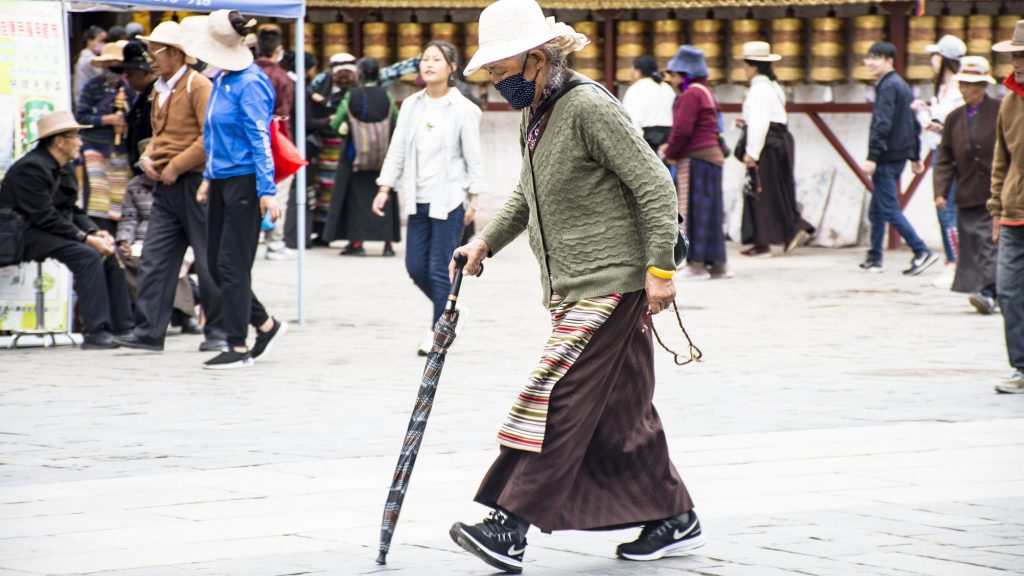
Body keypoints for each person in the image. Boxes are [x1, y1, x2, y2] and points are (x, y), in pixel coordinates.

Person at [447, 0, 702, 571]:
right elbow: (527, 195)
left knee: (554, 398)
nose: (495, 82)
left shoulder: (588, 105)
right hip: (572, 288)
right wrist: (486, 241)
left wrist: (660, 270)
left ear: (537, 58)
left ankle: (508, 524)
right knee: (622, 412)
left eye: (500, 70)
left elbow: (654, 187)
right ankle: (673, 517)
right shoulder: (535, 114)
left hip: (610, 285)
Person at [180, 10, 286, 369]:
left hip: (245, 182)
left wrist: (266, 190)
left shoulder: (251, 84)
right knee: (214, 263)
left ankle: (238, 345)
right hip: (221, 181)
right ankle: (266, 324)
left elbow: (260, 139)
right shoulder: (222, 78)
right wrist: (209, 178)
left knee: (231, 265)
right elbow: (213, 135)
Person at [113, 21, 227, 354]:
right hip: (165, 183)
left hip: (193, 182)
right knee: (154, 257)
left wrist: (175, 165)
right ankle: (149, 330)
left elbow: (210, 138)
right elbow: (161, 135)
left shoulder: (198, 85)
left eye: (154, 51)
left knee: (207, 261)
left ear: (175, 53)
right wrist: (149, 156)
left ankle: (217, 331)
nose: (149, 58)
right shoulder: (161, 88)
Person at [374, 40, 486, 355]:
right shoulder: (411, 105)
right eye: (425, 59)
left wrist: (474, 198)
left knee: (439, 268)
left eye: (436, 59)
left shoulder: (464, 109)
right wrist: (385, 187)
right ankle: (455, 311)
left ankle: (438, 333)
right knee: (415, 267)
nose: (429, 64)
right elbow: (397, 148)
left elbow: (473, 157)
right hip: (417, 197)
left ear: (451, 68)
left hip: (449, 198)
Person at [0, 111, 133, 348]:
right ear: (60, 141)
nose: (81, 143)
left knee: (110, 253)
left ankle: (124, 327)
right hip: (19, 233)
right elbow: (44, 216)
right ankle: (96, 332)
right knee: (87, 255)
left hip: (45, 230)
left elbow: (72, 209)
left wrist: (94, 232)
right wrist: (85, 240)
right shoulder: (30, 168)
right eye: (77, 137)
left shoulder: (63, 167)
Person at [859, 41, 937, 275]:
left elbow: (882, 123)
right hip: (898, 155)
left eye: (877, 58)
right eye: (869, 57)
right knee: (877, 209)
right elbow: (910, 122)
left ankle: (921, 251)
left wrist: (873, 156)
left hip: (886, 156)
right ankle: (874, 257)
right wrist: (914, 154)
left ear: (889, 61)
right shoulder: (901, 85)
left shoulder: (888, 86)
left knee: (890, 208)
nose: (870, 62)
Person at [933, 56, 1000, 316]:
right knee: (971, 241)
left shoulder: (999, 110)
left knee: (989, 240)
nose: (965, 89)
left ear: (983, 85)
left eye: (971, 84)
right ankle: (985, 289)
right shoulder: (954, 118)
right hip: (967, 190)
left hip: (994, 190)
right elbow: (945, 158)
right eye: (962, 84)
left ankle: (990, 291)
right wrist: (940, 190)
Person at [735, 41, 813, 258]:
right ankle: (792, 229)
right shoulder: (773, 86)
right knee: (779, 190)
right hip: (779, 141)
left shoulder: (759, 89)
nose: (744, 70)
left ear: (753, 67)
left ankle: (764, 243)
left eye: (745, 65)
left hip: (767, 145)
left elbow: (760, 122)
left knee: (762, 192)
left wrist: (752, 152)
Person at [660, 45, 727, 281]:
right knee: (711, 213)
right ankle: (718, 266)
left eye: (675, 75)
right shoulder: (707, 92)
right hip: (713, 159)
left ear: (684, 75)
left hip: (697, 159)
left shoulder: (690, 95)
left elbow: (682, 130)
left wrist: (670, 153)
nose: (672, 80)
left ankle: (697, 265)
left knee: (694, 212)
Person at [325, 57, 400, 257]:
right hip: (383, 157)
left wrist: (342, 131)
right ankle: (388, 244)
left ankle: (357, 244)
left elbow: (337, 122)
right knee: (385, 194)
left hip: (354, 156)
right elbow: (396, 120)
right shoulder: (386, 96)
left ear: (359, 74)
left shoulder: (352, 95)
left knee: (355, 199)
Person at [914, 35, 966, 287]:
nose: (932, 61)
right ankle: (952, 260)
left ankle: (956, 263)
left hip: (953, 155)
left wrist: (934, 124)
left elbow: (957, 125)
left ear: (944, 59)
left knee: (948, 209)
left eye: (935, 56)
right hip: (940, 154)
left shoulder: (957, 90)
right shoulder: (943, 90)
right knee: (942, 207)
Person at [990, 21, 1024, 394]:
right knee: (1009, 292)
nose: (1018, 62)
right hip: (1015, 212)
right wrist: (996, 208)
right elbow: (1001, 160)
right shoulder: (1009, 103)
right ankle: (1021, 366)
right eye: (1015, 55)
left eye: (1023, 55)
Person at [75, 41, 135, 233]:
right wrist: (106, 119)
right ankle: (98, 233)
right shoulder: (92, 87)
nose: (114, 70)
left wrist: (125, 122)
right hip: (95, 146)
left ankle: (118, 235)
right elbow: (81, 116)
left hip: (120, 149)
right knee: (97, 196)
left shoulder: (131, 89)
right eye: (110, 65)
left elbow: (136, 116)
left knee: (120, 195)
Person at [254, 25, 296, 261]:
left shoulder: (246, 73)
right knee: (278, 193)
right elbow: (284, 115)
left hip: (249, 142)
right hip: (275, 140)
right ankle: (275, 242)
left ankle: (256, 235)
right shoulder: (283, 78)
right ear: (279, 50)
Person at [310, 53, 359, 242]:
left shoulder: (322, 84)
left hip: (331, 145)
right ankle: (328, 232)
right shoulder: (354, 87)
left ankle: (326, 232)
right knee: (331, 190)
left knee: (327, 190)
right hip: (343, 147)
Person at [622, 55, 675, 151]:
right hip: (670, 143)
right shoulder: (667, 88)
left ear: (637, 72)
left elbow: (630, 121)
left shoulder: (636, 88)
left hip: (648, 142)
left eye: (632, 70)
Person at [72, 26, 106, 105]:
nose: (103, 44)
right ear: (89, 41)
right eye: (101, 41)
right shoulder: (89, 59)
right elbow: (102, 75)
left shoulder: (86, 56)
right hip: (86, 100)